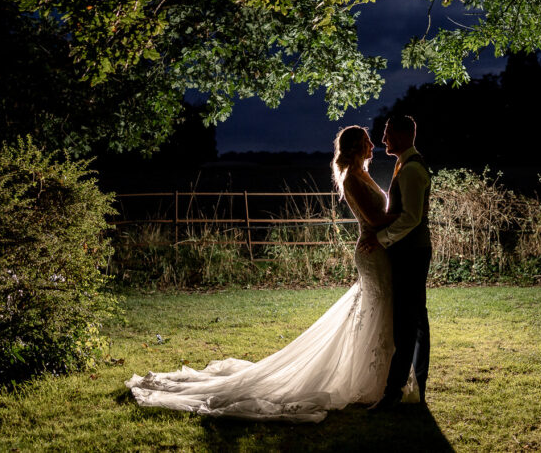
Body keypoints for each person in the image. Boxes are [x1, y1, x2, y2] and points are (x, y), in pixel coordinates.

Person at [124, 125, 414, 422]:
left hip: (377, 249)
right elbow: (377, 218)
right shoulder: (352, 178)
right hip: (372, 251)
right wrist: (410, 217)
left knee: (378, 311)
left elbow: (380, 214)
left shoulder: (363, 173)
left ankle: (378, 378)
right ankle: (375, 382)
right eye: (367, 140)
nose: (373, 143)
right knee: (378, 309)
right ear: (354, 147)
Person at [359, 114, 432, 412]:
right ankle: (411, 386)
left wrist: (381, 238)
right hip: (409, 251)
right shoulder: (406, 164)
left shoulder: (413, 169)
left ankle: (394, 392)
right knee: (413, 318)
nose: (384, 139)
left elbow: (412, 218)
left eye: (388, 133)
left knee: (407, 320)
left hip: (412, 252)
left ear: (403, 135)